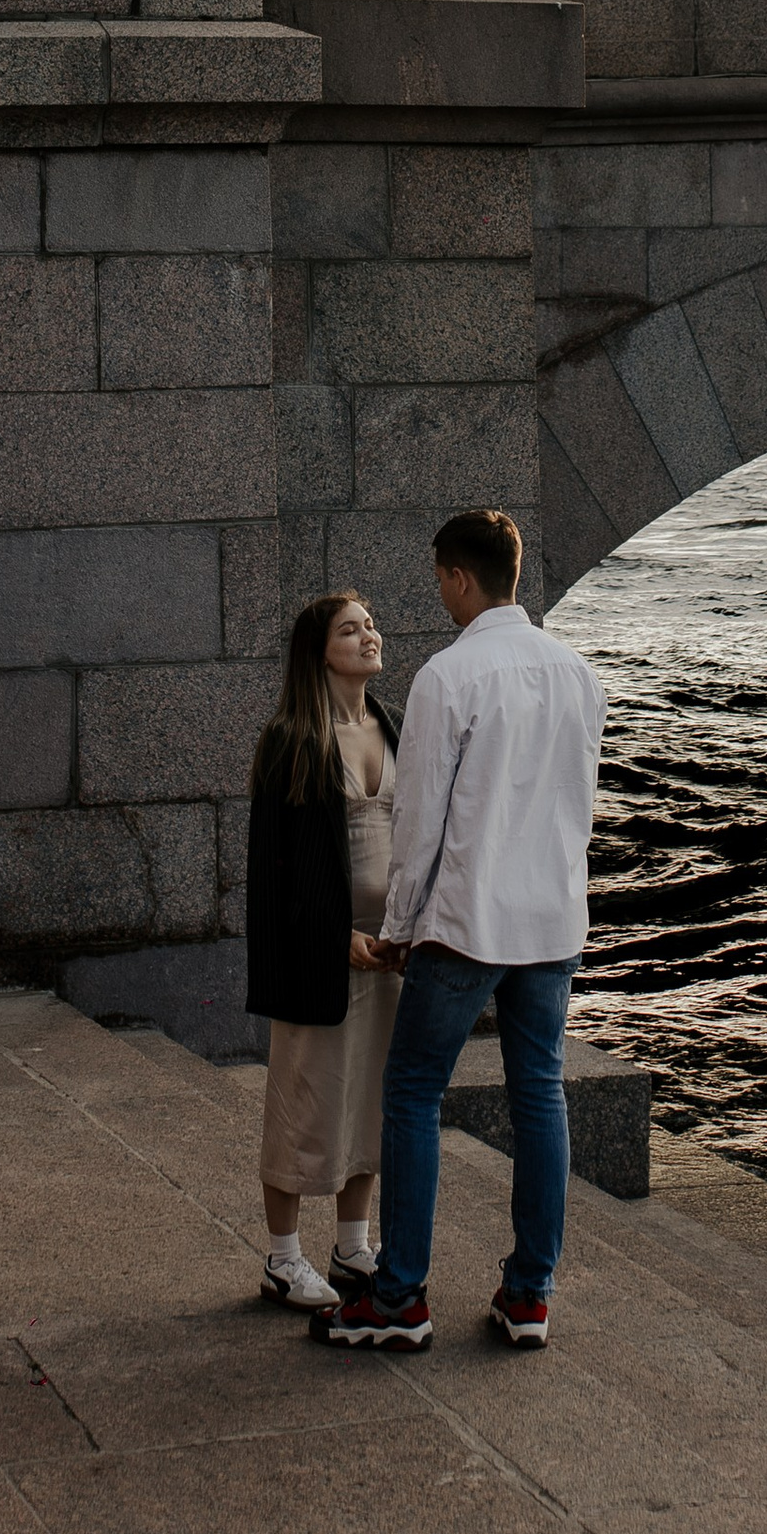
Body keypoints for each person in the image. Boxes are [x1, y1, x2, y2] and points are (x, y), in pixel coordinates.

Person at [318, 508, 607, 1356]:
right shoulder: (577, 674)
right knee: (539, 1094)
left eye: (439, 578)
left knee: (411, 1093)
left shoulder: (450, 675)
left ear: (457, 577)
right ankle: (529, 1296)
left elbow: (420, 821)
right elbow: (576, 810)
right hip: (552, 922)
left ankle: (401, 1296)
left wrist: (401, 926)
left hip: (466, 924)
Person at [244, 589, 403, 1312]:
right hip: (322, 956)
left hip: (389, 949)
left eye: (369, 625)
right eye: (350, 630)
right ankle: (282, 1258)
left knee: (369, 1102)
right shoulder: (293, 738)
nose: (368, 636)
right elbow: (274, 868)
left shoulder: (391, 724)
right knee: (304, 1106)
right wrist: (330, 936)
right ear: (320, 651)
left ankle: (353, 1244)